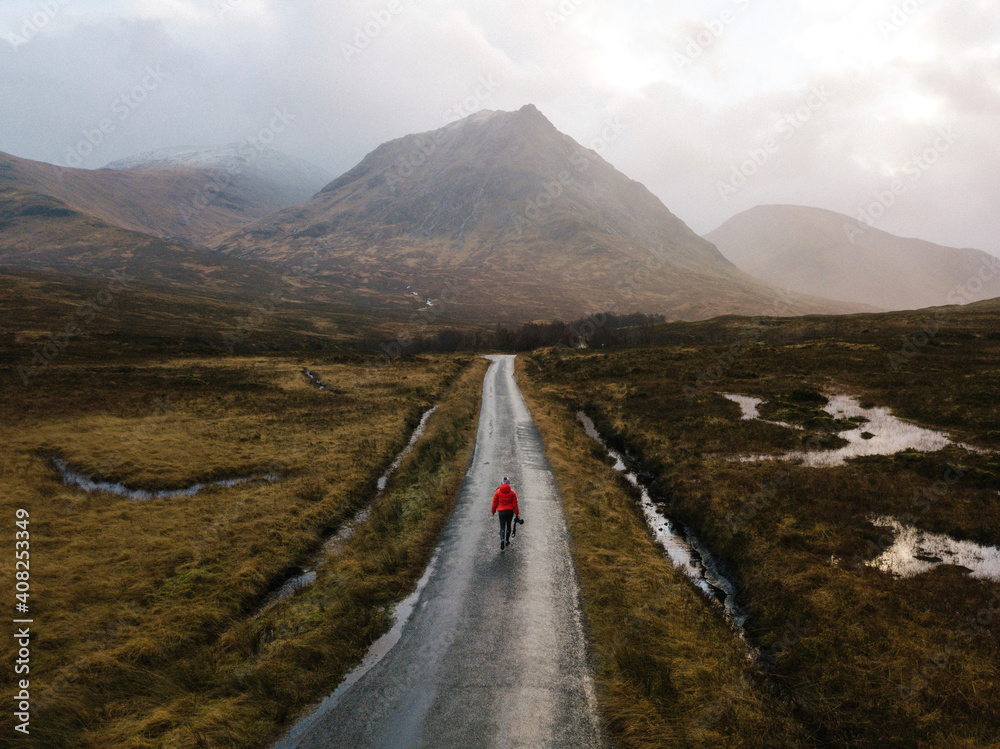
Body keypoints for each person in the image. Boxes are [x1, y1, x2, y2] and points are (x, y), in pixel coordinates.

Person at [491, 476, 519, 551]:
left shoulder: (497, 492)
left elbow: (494, 503)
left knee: (502, 526)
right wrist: (517, 513)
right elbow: (515, 504)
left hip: (501, 512)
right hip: (510, 512)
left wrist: (493, 511)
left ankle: (502, 539)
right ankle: (507, 540)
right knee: (509, 525)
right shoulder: (512, 492)